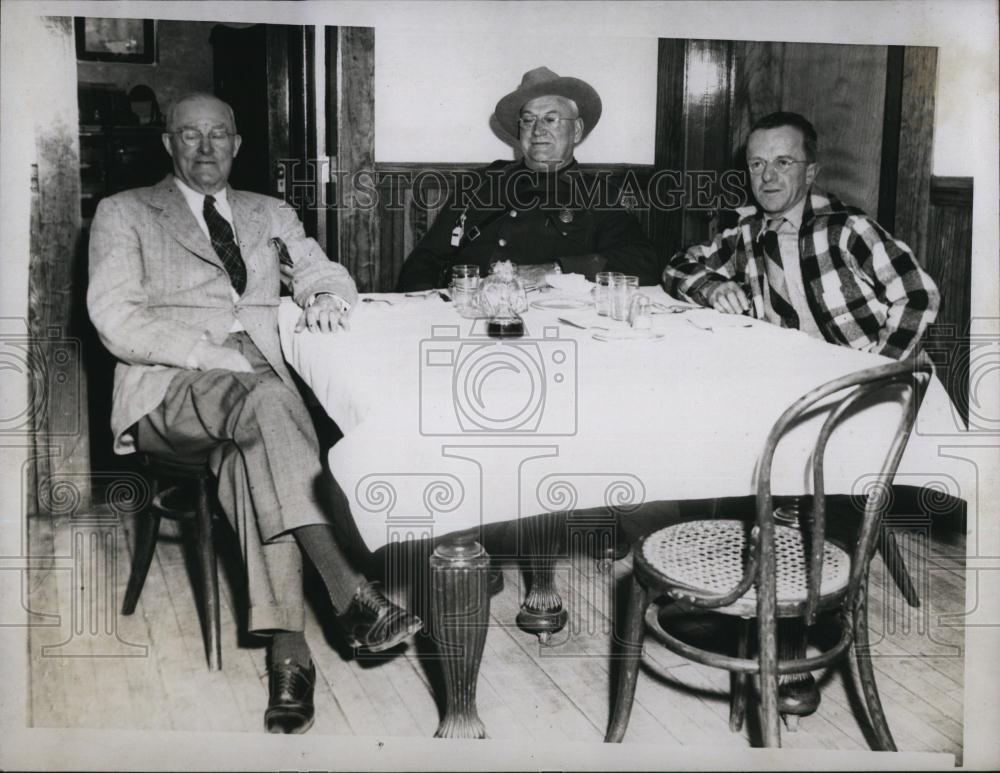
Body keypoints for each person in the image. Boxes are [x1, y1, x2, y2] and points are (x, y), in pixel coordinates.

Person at [87, 93, 421, 735]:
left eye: (218, 134)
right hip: (169, 389)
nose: (206, 148)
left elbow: (319, 269)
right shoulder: (123, 212)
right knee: (270, 400)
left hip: (261, 406)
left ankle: (288, 659)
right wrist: (205, 353)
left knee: (254, 456)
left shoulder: (270, 212)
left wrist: (323, 294)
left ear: (237, 143)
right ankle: (349, 588)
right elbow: (115, 316)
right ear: (169, 145)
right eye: (190, 135)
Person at [663, 111, 939, 360]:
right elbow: (677, 266)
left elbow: (920, 294)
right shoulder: (745, 235)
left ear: (809, 173)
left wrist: (879, 369)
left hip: (869, 384)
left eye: (783, 162)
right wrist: (711, 287)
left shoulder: (848, 230)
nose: (767, 176)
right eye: (757, 164)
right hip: (793, 377)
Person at [396, 66, 660, 292]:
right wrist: (421, 314)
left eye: (551, 119)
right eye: (528, 120)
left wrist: (555, 269)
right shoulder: (480, 184)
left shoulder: (598, 195)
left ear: (576, 130)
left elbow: (643, 262)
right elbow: (425, 260)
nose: (537, 130)